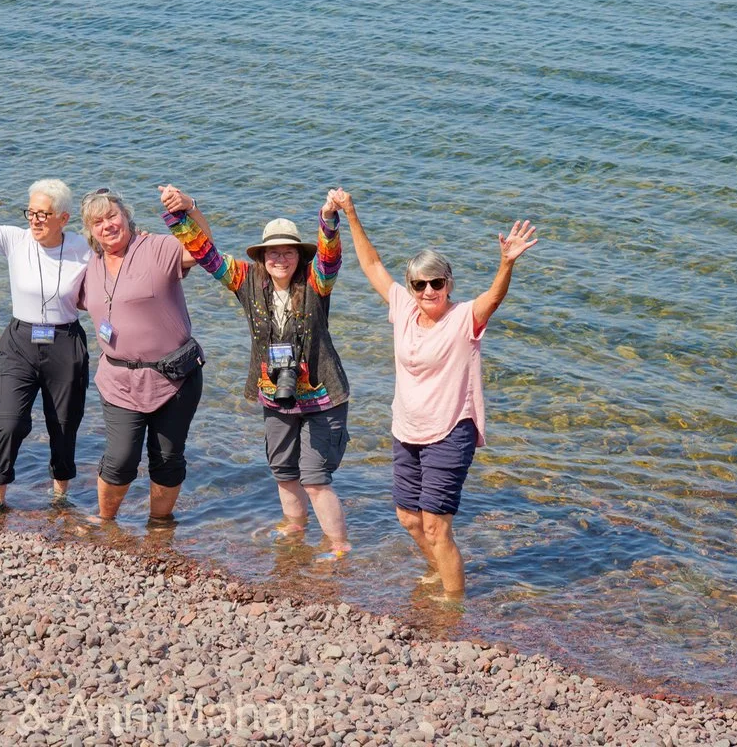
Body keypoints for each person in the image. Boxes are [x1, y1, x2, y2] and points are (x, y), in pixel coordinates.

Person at [335, 188, 539, 596]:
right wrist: (351, 215)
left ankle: (453, 603)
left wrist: (506, 264)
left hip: (450, 430)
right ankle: (438, 573)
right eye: (420, 283)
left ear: (448, 284)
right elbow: (372, 264)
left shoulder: (465, 319)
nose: (428, 291)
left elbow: (493, 298)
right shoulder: (404, 309)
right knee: (408, 518)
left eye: (436, 283)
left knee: (435, 524)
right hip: (406, 429)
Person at [161, 185, 354, 558]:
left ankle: (339, 545)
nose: (280, 258)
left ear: (298, 255)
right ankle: (296, 528)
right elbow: (206, 254)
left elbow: (330, 258)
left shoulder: (316, 282)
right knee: (283, 470)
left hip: (322, 395)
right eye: (273, 252)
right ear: (263, 256)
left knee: (315, 478)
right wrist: (180, 213)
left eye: (287, 251)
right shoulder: (247, 280)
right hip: (274, 393)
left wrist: (329, 218)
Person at [0, 150, 92, 519]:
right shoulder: (15, 239)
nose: (35, 220)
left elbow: (122, 253)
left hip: (66, 343)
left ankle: (60, 496)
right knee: (10, 422)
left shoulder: (83, 247)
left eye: (43, 214)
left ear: (63, 218)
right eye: (30, 212)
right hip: (20, 343)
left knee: (63, 424)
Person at [75, 188, 201, 524]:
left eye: (112, 216)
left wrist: (189, 208)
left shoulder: (156, 247)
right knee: (120, 459)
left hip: (174, 377)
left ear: (127, 217)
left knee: (168, 458)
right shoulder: (89, 263)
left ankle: (159, 525)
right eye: (98, 221)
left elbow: (202, 250)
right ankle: (105, 522)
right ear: (90, 231)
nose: (107, 225)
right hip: (118, 379)